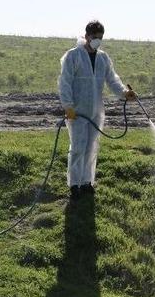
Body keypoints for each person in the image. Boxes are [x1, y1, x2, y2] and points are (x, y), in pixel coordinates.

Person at [58, 20, 137, 200]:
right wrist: (68, 106)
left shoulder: (103, 58)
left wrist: (125, 93)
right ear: (86, 36)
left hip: (95, 111)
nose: (97, 41)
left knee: (91, 147)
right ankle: (74, 184)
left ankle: (87, 182)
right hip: (76, 112)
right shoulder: (73, 56)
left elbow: (112, 80)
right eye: (94, 37)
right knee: (78, 147)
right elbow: (65, 83)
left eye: (100, 38)